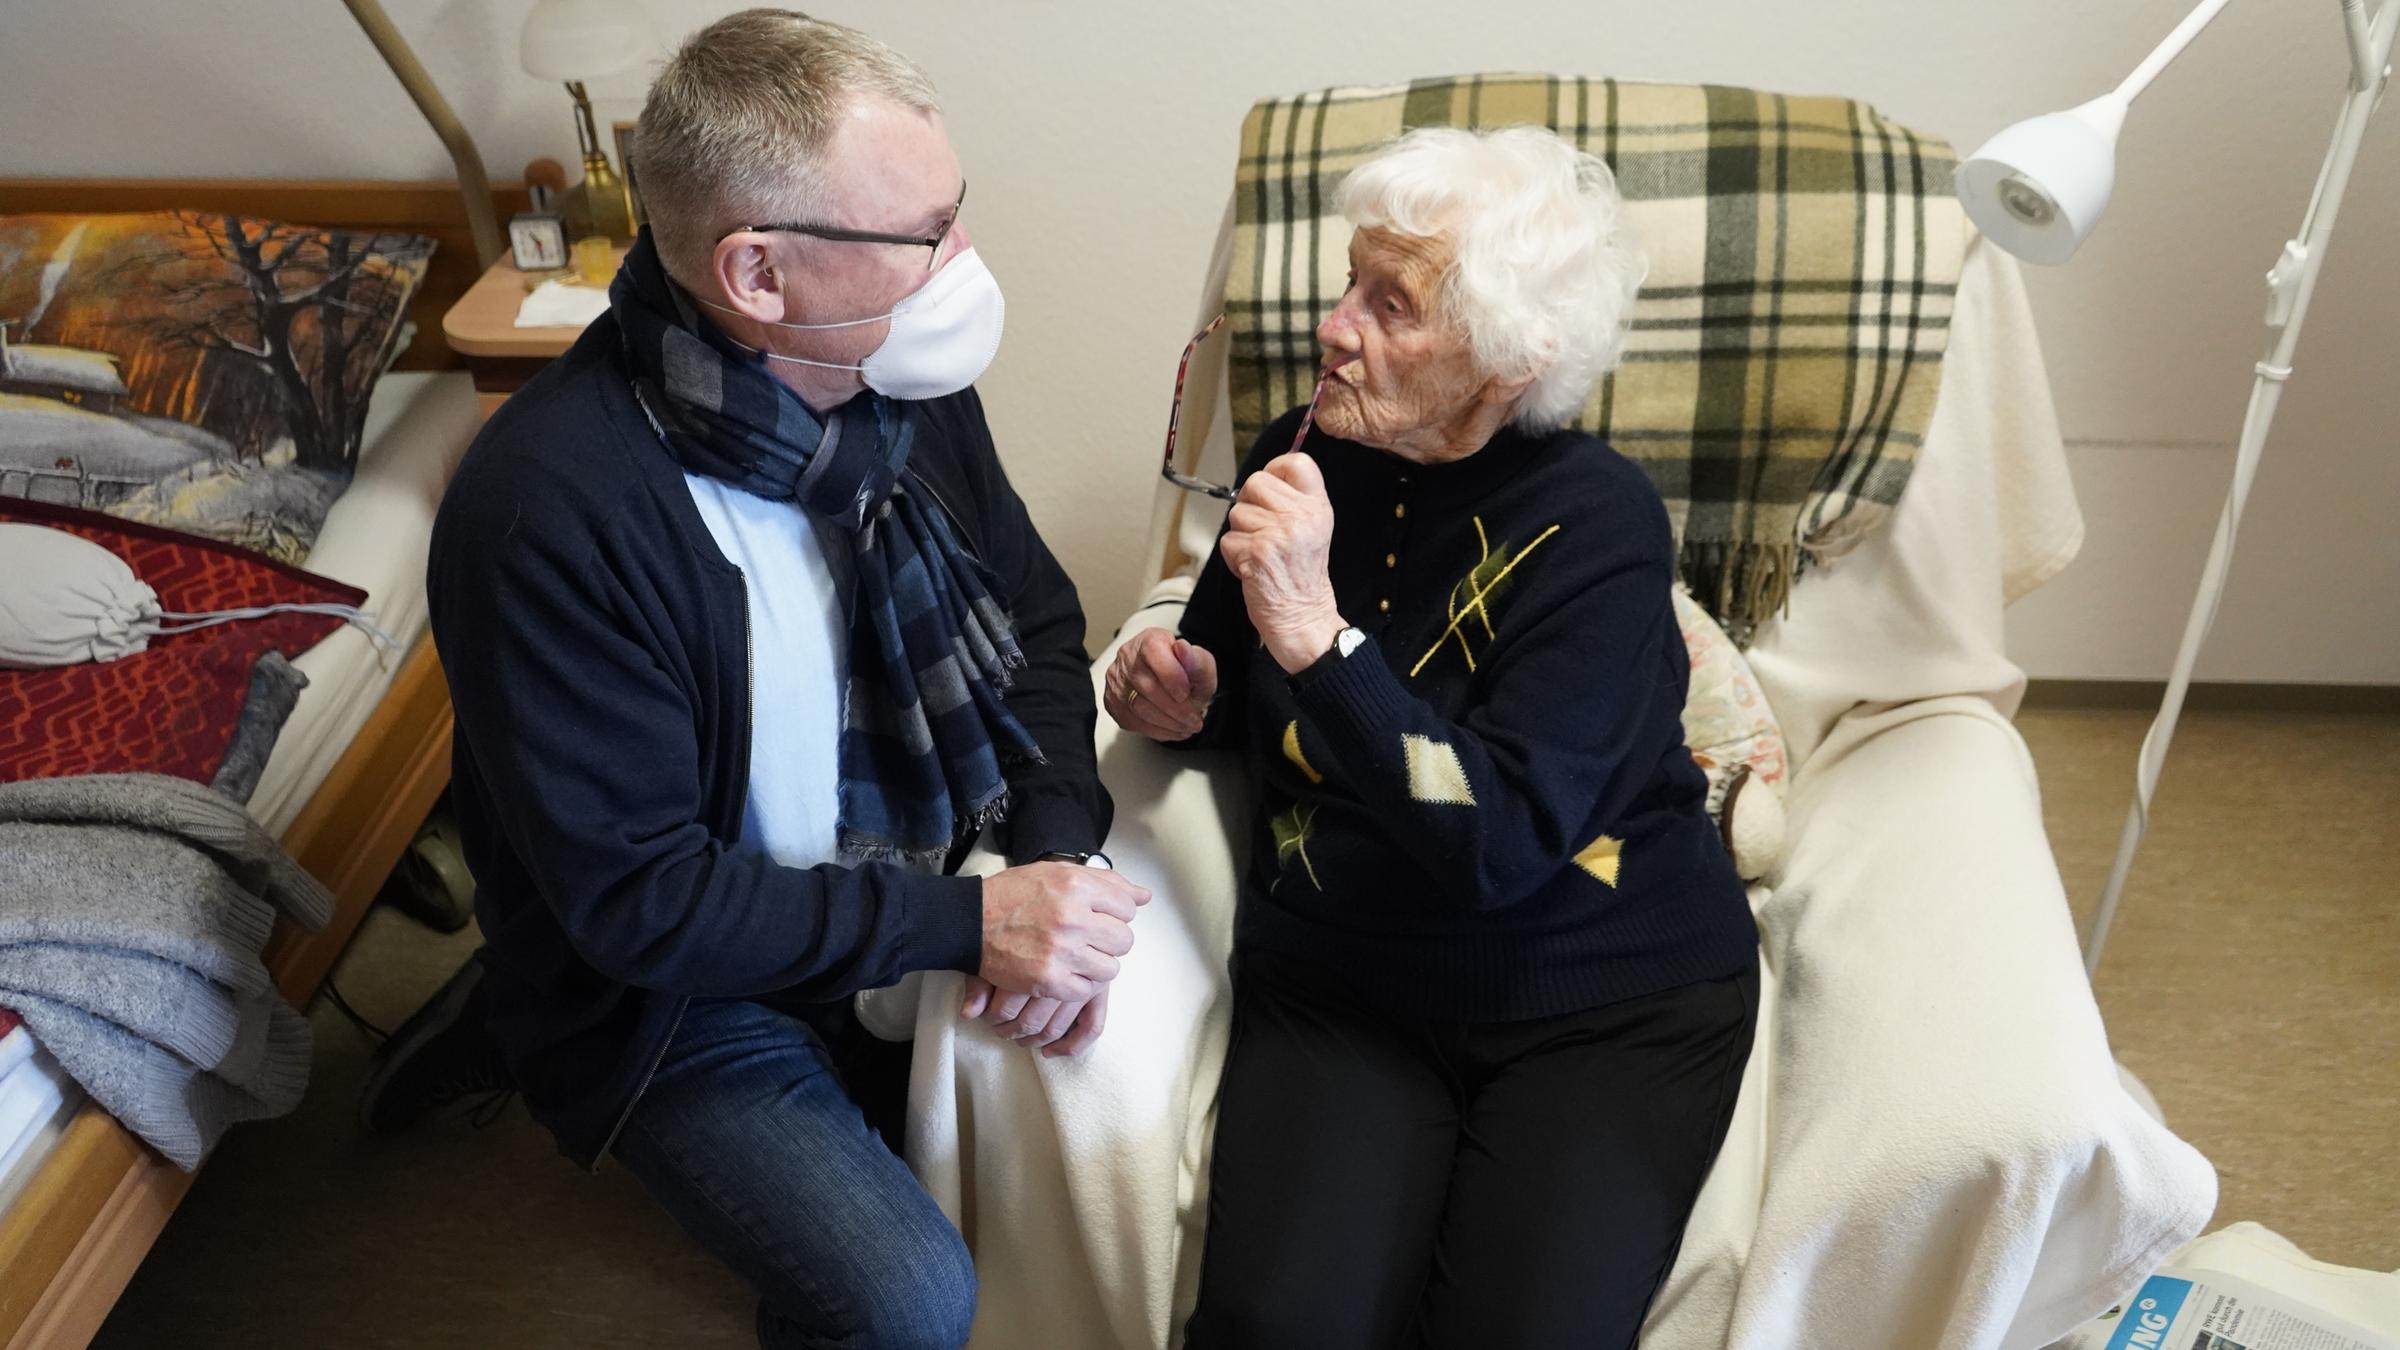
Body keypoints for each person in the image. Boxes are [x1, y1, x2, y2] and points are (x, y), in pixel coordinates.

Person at [384, 11, 1150, 1347]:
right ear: (758, 272)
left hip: (916, 871)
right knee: (910, 1297)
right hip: (682, 983)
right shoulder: (551, 511)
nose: (961, 263)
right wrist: (968, 930)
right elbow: (642, 901)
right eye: (926, 234)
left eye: (955, 214)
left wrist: (1054, 855)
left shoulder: (903, 381)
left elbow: (1032, 616)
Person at [1107, 126, 1761, 1348]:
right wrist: (1173, 691)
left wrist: (1315, 631)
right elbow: (1223, 683)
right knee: (1271, 1328)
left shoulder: (1600, 526)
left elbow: (1502, 840)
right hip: (1345, 978)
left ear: (1508, 360)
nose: (1334, 325)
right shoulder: (1301, 458)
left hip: (1600, 993)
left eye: (1390, 303)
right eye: (1349, 281)